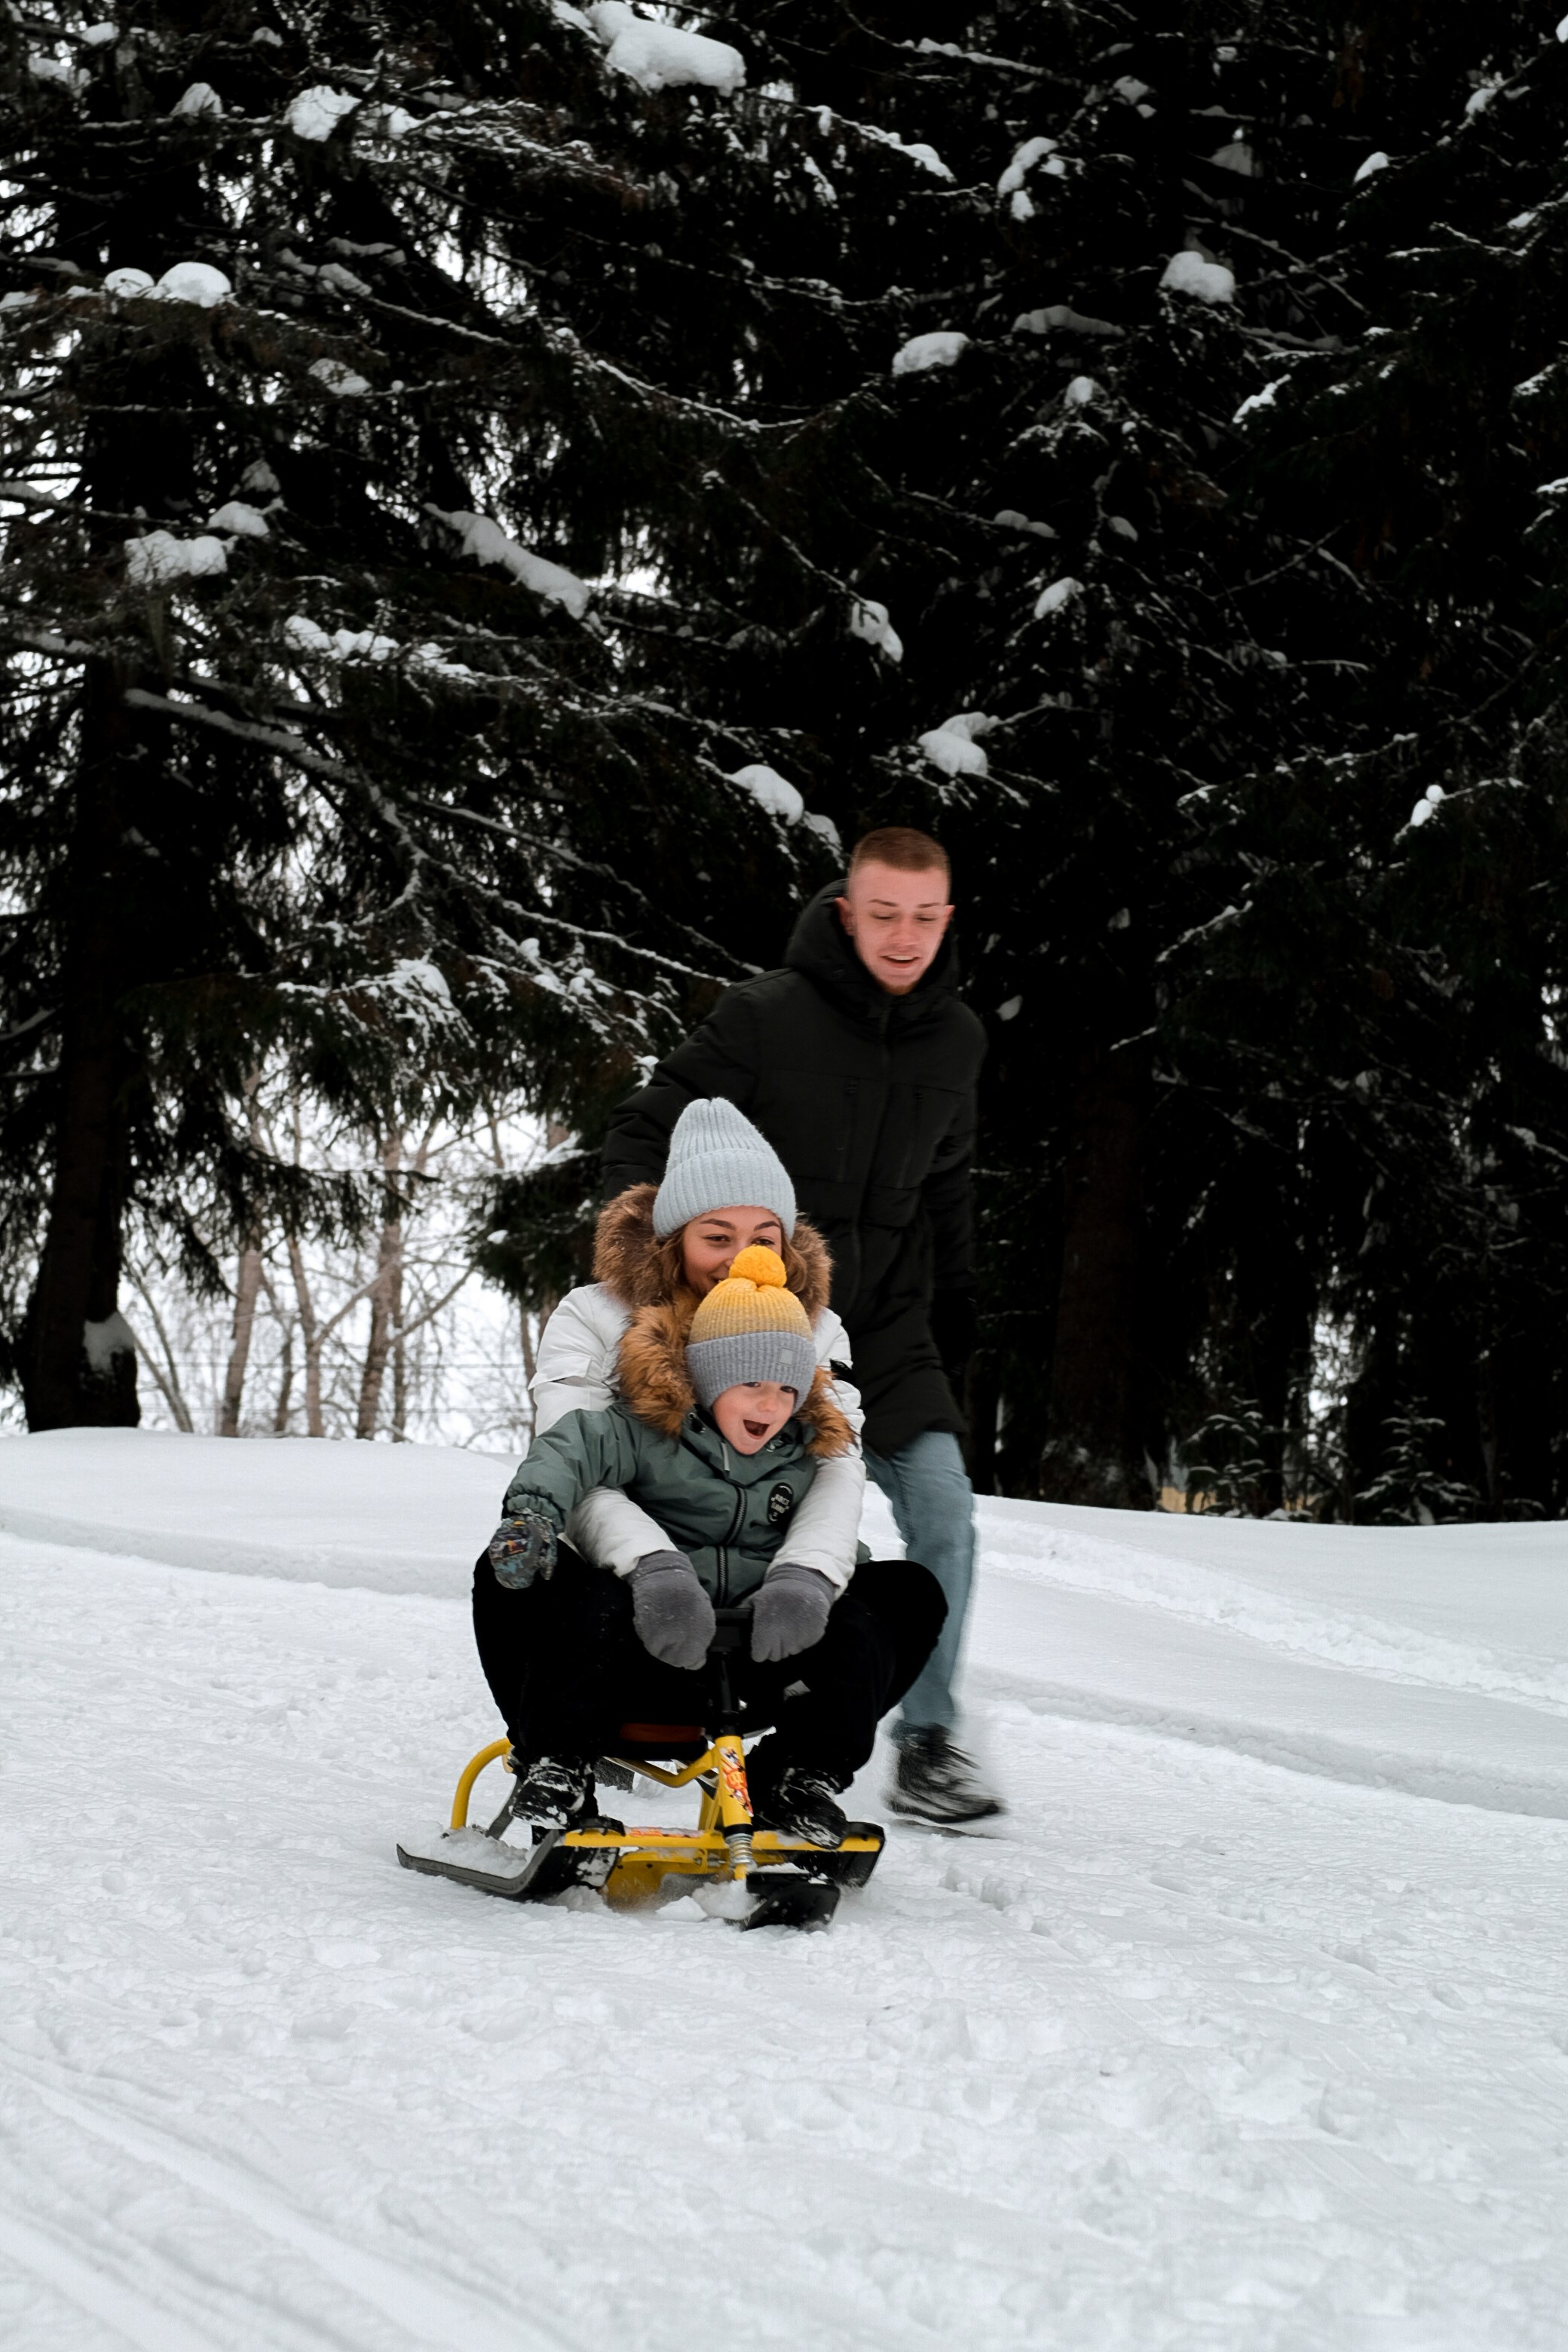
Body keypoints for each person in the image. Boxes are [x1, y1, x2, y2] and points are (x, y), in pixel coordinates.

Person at [601, 825, 1000, 1824]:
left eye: (922, 917)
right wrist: (650, 1270)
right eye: (882, 914)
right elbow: (650, 1129)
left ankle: (930, 1742)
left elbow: (948, 1178)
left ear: (945, 921)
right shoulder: (767, 1018)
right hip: (767, 1324)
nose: (902, 937)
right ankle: (676, 1713)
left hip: (893, 1327)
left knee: (945, 1514)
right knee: (731, 1517)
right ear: (845, 913)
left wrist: (957, 1290)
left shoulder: (959, 1040)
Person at [482, 1245, 947, 1845]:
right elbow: (567, 1450)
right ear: (705, 1377)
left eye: (787, 1387)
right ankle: (559, 1762)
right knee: (554, 1585)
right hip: (640, 1654)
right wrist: (532, 1518)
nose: (769, 1403)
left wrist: (810, 1587)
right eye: (749, 1382)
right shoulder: (644, 1431)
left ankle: (798, 1776)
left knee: (905, 1594)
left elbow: (836, 1541)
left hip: (759, 1656)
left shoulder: (807, 1451)